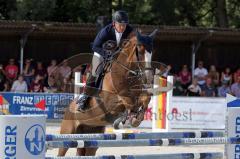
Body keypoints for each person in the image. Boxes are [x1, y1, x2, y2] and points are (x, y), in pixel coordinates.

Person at [77, 10, 133, 111]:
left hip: (117, 54)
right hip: (101, 52)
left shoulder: (129, 30)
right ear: (114, 23)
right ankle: (85, 96)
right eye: (120, 25)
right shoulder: (106, 31)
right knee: (96, 71)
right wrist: (106, 54)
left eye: (125, 25)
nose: (123, 27)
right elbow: (95, 46)